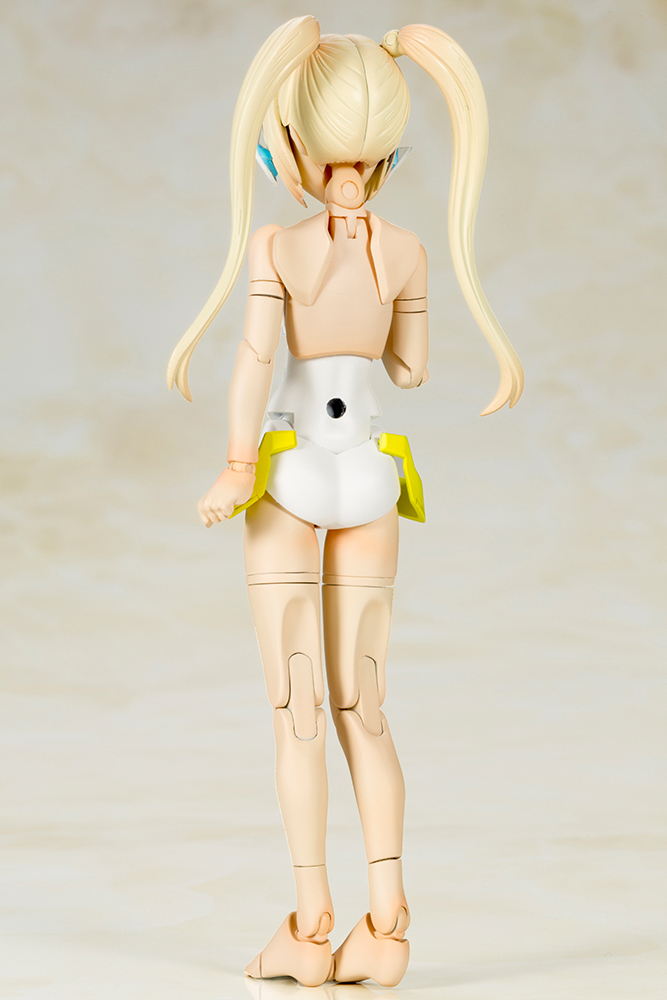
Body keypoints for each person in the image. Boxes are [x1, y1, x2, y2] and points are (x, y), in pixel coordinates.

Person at [167, 17, 523, 988]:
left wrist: (235, 463)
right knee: (364, 706)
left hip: (288, 469)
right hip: (369, 470)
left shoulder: (276, 245)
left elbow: (255, 360)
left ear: (288, 145)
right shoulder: (406, 252)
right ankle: (389, 922)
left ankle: (311, 922)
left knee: (297, 707)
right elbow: (408, 370)